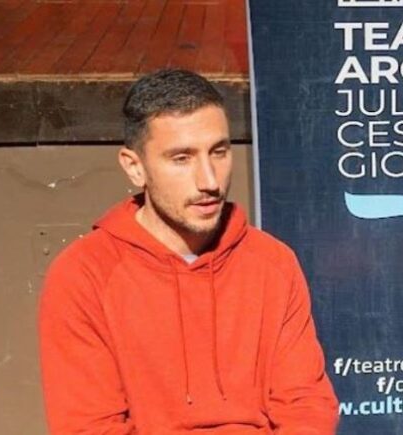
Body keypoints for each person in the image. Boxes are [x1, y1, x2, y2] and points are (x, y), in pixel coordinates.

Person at [38, 69, 339, 434]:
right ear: (135, 167)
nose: (209, 181)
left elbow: (306, 405)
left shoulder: (273, 262)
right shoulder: (84, 275)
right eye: (182, 158)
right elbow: (89, 427)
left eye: (219, 152)